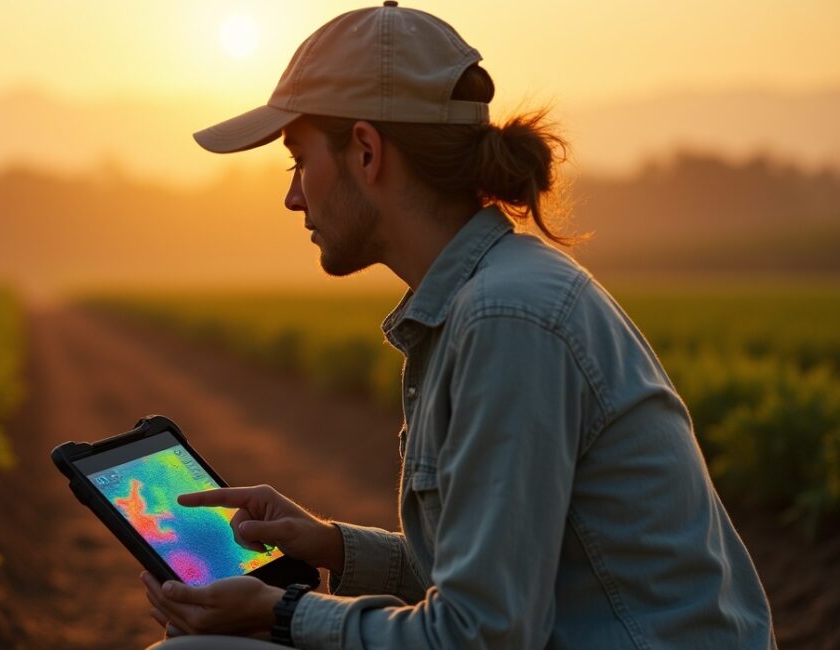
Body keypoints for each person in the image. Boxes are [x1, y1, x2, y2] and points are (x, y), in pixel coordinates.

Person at [140, 2, 776, 649]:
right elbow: (483, 579)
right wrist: (331, 546)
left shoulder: (506, 319)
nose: (293, 196)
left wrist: (283, 614)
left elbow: (481, 634)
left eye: (298, 161)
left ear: (366, 152)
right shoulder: (488, 298)